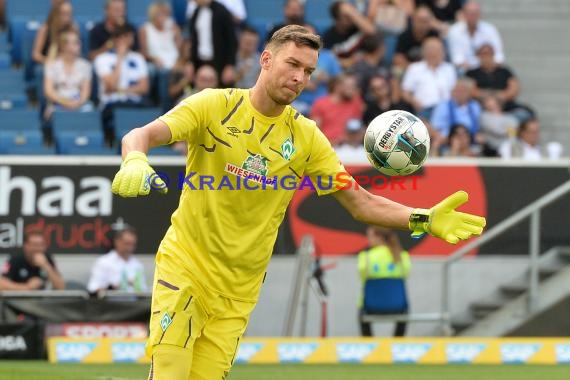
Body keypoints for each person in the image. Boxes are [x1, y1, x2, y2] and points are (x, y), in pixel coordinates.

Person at [110, 25, 486, 379]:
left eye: (308, 71)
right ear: (266, 60)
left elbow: (360, 203)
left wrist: (421, 218)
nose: (299, 78)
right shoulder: (213, 106)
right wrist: (135, 158)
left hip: (239, 288)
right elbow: (141, 134)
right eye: (293, 64)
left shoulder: (306, 138)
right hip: (186, 267)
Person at [94, 25, 150, 143]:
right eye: (122, 37)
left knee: (150, 110)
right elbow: (110, 85)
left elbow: (144, 87)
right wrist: (120, 57)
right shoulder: (102, 59)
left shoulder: (138, 58)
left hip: (135, 103)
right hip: (112, 104)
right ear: (115, 39)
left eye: (128, 37)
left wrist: (120, 90)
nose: (126, 40)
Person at [358, 226, 410, 337]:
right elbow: (406, 275)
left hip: (370, 307)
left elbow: (362, 278)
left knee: (361, 307)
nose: (368, 240)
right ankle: (397, 342)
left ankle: (368, 345)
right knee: (405, 306)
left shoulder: (365, 257)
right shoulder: (402, 256)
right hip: (398, 306)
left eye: (370, 236)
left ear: (379, 237)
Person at [43, 29, 93, 125]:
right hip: (58, 103)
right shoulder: (52, 65)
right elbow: (48, 91)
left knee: (89, 111)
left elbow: (85, 93)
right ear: (64, 46)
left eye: (78, 42)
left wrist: (76, 103)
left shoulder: (85, 65)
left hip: (78, 103)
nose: (79, 45)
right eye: (75, 42)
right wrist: (65, 103)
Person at [401, 37, 456, 120]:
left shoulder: (449, 69)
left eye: (438, 50)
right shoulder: (414, 68)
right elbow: (405, 92)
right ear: (424, 52)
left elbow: (455, 91)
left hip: (447, 111)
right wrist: (414, 102)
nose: (434, 53)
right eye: (431, 50)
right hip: (424, 110)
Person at [188, 0, 238, 87]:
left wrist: (230, 65)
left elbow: (231, 40)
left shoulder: (222, 11)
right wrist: (191, 62)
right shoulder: (196, 13)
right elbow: (194, 41)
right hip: (200, 61)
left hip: (220, 62)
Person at [87, 227, 147, 296]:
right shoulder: (103, 262)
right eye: (127, 244)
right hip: (110, 304)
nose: (130, 248)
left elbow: (143, 290)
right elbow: (93, 289)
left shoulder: (138, 265)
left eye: (133, 244)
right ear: (117, 242)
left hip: (136, 304)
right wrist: (114, 288)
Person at [447, 0, 505, 71]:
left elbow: (499, 57)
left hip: (488, 69)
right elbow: (457, 59)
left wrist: (485, 66)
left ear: (480, 14)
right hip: (464, 71)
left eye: (475, 13)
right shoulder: (454, 31)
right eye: (470, 13)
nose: (473, 17)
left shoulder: (490, 29)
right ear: (464, 14)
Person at [310, 73, 365, 145]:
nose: (353, 89)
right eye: (349, 86)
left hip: (350, 147)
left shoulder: (356, 102)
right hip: (326, 147)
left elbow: (359, 128)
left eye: (354, 86)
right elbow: (314, 131)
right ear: (338, 86)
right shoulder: (321, 103)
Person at [0, 230, 65, 291]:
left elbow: (60, 287)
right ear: (26, 246)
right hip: (16, 301)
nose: (38, 249)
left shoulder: (47, 259)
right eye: (35, 245)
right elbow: (2, 284)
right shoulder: (15, 259)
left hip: (42, 301)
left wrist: (46, 266)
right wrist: (27, 287)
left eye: (41, 245)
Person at [138, 1, 182, 70]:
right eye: (161, 14)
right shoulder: (145, 29)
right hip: (157, 62)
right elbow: (143, 52)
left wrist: (177, 36)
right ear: (153, 15)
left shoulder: (171, 26)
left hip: (174, 61)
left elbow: (178, 49)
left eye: (166, 14)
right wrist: (154, 59)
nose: (164, 17)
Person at [31, 0, 77, 64]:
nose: (67, 18)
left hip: (67, 64)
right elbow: (35, 55)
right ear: (56, 14)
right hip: (50, 63)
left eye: (69, 14)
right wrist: (50, 62)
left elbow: (76, 51)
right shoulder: (45, 29)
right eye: (64, 14)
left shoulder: (73, 29)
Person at [498, 118, 563, 160]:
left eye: (537, 132)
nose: (535, 135)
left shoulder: (547, 149)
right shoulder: (511, 148)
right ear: (523, 133)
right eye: (532, 132)